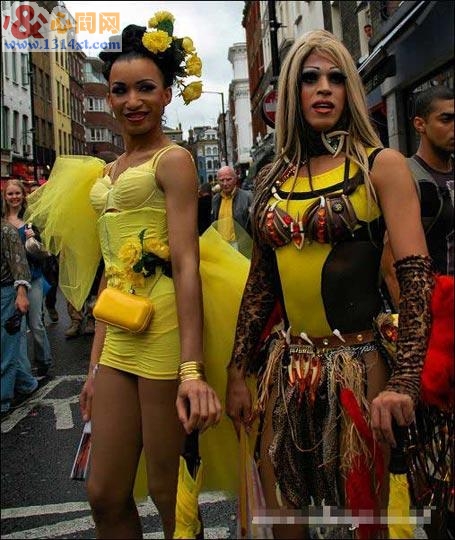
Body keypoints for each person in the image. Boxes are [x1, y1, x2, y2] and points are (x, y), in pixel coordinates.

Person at [226, 29, 434, 540]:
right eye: (310, 78)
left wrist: (405, 382)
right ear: (292, 92)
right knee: (283, 515)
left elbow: (415, 276)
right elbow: (260, 285)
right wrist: (237, 370)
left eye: (337, 78)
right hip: (287, 369)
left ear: (350, 91)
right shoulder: (272, 176)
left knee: (365, 523)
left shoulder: (380, 165)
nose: (324, 88)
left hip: (361, 370)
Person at [25, 12, 223, 539]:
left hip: (163, 333)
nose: (131, 100)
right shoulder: (107, 170)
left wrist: (191, 369)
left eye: (145, 88)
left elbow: (185, 264)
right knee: (105, 493)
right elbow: (110, 278)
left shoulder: (173, 161)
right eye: (119, 90)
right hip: (117, 335)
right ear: (109, 99)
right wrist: (92, 369)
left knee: (167, 490)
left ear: (166, 95)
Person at [381, 85, 454, 540]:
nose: (454, 128)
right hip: (431, 332)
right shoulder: (406, 177)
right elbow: (392, 262)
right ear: (420, 125)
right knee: (432, 453)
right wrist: (416, 333)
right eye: (446, 119)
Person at [2, 179, 53, 379]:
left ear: (23, 195)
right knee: (19, 329)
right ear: (5, 196)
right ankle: (23, 372)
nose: (14, 197)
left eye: (17, 193)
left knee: (36, 324)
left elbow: (44, 250)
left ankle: (43, 361)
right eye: (10, 194)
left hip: (33, 278)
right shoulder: (2, 221)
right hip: (10, 282)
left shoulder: (31, 220)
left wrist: (34, 237)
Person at [1, 204, 38, 416]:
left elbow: (19, 263)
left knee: (6, 347)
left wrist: (21, 293)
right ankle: (26, 383)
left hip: (6, 293)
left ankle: (3, 401)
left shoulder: (6, 230)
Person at [211, 166, 253, 245]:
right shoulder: (215, 199)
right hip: (221, 245)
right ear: (218, 181)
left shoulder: (247, 197)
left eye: (228, 179)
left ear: (235, 179)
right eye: (221, 180)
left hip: (241, 246)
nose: (225, 183)